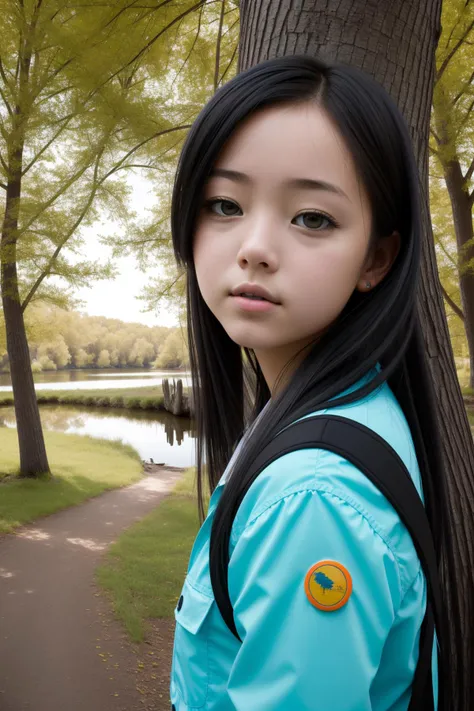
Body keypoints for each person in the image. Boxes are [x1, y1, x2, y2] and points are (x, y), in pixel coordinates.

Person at [169, 55, 468, 710]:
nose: (255, 246)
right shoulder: (361, 408)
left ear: (376, 258)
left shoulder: (314, 498)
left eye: (311, 217)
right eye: (224, 204)